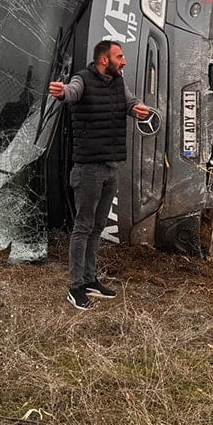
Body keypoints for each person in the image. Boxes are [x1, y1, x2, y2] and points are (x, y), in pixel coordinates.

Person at [48, 40, 150, 310]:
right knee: (83, 227)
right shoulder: (82, 79)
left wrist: (138, 108)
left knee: (97, 227)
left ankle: (90, 280)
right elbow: (72, 93)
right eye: (120, 56)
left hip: (110, 167)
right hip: (88, 169)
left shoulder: (117, 82)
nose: (124, 61)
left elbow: (129, 101)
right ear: (105, 60)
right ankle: (75, 286)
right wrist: (62, 93)